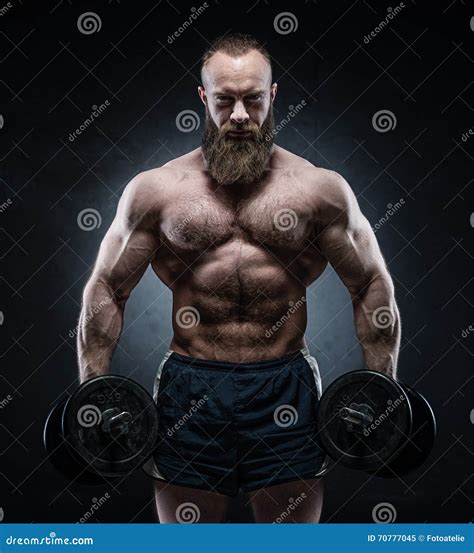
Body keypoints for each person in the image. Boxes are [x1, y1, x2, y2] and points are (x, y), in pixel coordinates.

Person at [77, 33, 401, 523]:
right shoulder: (156, 191)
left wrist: (381, 389)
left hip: (284, 386)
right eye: (225, 101)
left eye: (253, 99)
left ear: (273, 96)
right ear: (204, 98)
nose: (240, 116)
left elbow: (371, 285)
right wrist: (94, 396)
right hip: (190, 386)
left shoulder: (320, 190)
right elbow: (106, 289)